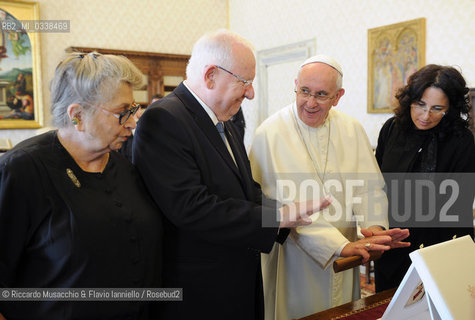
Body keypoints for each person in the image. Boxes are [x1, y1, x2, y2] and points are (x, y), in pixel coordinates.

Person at [133, 30, 331, 320]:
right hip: (199, 292)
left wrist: (285, 213)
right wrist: (276, 217)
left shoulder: (226, 117)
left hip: (237, 279)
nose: (250, 93)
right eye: (245, 82)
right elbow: (192, 207)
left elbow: (245, 190)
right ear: (211, 75)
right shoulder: (164, 119)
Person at [0, 51, 162, 319]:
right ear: (77, 115)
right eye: (122, 113)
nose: (133, 123)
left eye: (133, 110)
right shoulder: (22, 170)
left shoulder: (125, 167)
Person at [249, 54, 409, 320]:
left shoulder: (351, 129)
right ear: (296, 85)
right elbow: (283, 208)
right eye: (304, 91)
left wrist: (375, 229)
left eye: (322, 94)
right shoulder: (269, 134)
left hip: (348, 252)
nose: (310, 103)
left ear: (338, 96)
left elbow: (369, 189)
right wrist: (339, 246)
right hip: (294, 259)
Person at [374, 64, 475, 292]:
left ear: (450, 108)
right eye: (420, 104)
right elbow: (376, 185)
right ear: (409, 99)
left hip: (436, 248)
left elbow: (457, 207)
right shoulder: (391, 129)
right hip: (392, 247)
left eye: (437, 108)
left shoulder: (461, 140)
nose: (426, 116)